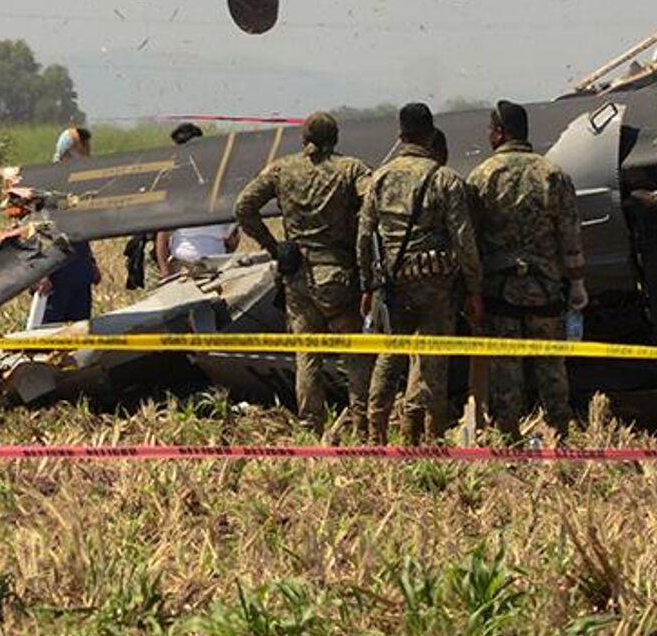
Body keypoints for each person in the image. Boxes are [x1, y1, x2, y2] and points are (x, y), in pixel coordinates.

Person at [233, 109, 374, 432]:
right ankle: (361, 422)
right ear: (335, 138)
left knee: (307, 355)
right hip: (339, 273)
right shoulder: (351, 169)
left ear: (304, 139)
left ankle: (311, 424)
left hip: (298, 275)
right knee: (353, 353)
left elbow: (244, 206)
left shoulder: (282, 169)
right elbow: (374, 202)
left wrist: (275, 247)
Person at [359, 103, 482, 445]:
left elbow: (365, 236)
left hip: (392, 284)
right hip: (436, 285)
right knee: (432, 360)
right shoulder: (445, 179)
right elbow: (464, 240)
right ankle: (426, 434)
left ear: (400, 136)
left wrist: (367, 285)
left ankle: (376, 434)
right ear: (430, 134)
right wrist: (474, 289)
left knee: (389, 356)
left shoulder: (379, 178)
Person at [465, 100, 587, 438]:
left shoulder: (482, 176)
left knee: (506, 367)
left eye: (491, 129)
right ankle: (559, 435)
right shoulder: (553, 174)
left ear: (500, 132)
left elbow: (470, 241)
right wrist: (577, 283)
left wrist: (472, 290)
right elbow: (570, 234)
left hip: (500, 291)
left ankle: (508, 437)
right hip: (545, 290)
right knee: (551, 366)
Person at [154, 122, 238, 275]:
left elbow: (232, 237)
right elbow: (162, 235)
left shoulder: (217, 179)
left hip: (216, 266)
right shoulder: (173, 183)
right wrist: (165, 272)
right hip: (183, 266)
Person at [34, 238, 102, 326]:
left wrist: (91, 262)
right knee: (49, 327)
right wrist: (40, 275)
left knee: (81, 326)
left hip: (81, 273)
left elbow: (81, 234)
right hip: (54, 280)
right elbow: (32, 235)